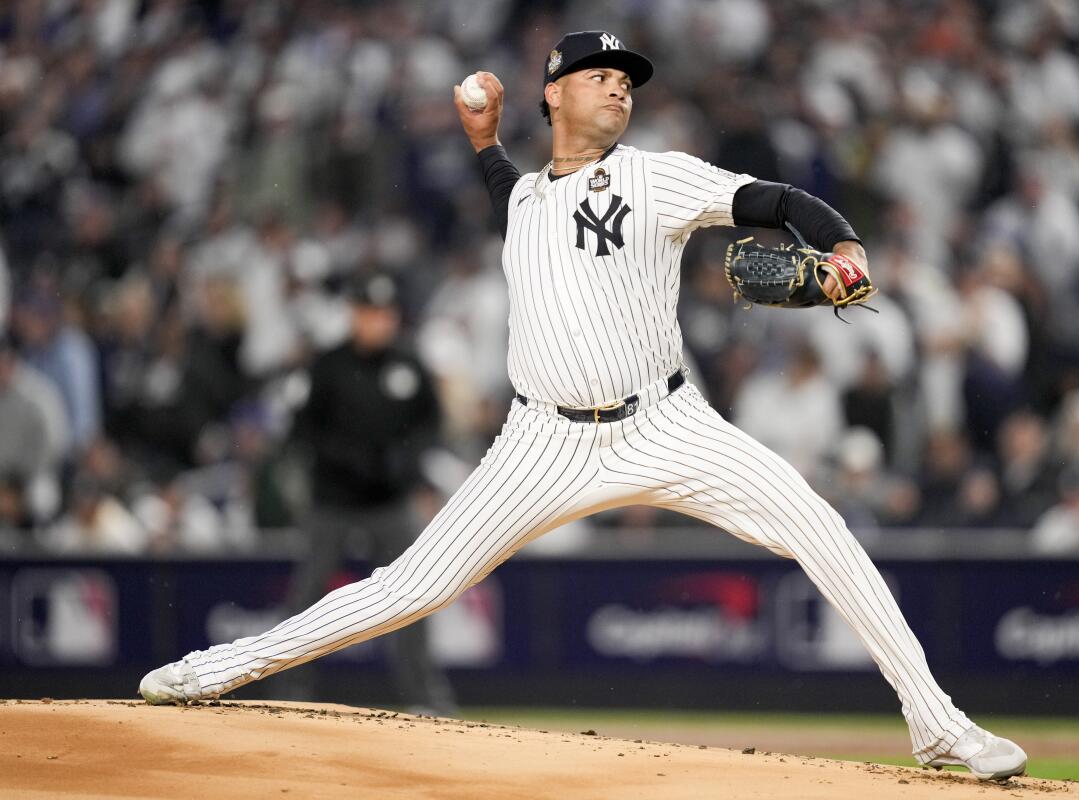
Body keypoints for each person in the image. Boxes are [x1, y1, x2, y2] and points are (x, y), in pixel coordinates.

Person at [139, 31, 1026, 781]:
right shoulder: (524, 197)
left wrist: (842, 243)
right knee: (407, 587)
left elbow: (774, 200)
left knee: (821, 528)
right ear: (554, 95)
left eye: (627, 81)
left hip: (666, 424)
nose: (620, 89)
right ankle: (221, 669)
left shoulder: (655, 178)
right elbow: (511, 195)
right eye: (601, 77)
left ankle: (936, 721)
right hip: (540, 442)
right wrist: (481, 138)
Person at [281, 273, 456, 715]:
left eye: (386, 314)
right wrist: (348, 459)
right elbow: (303, 430)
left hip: (390, 501)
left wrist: (405, 461)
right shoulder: (328, 366)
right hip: (333, 500)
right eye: (370, 313)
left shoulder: (409, 364)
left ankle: (422, 697)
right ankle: (291, 690)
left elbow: (430, 424)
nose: (379, 322)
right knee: (308, 594)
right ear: (354, 315)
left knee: (413, 594)